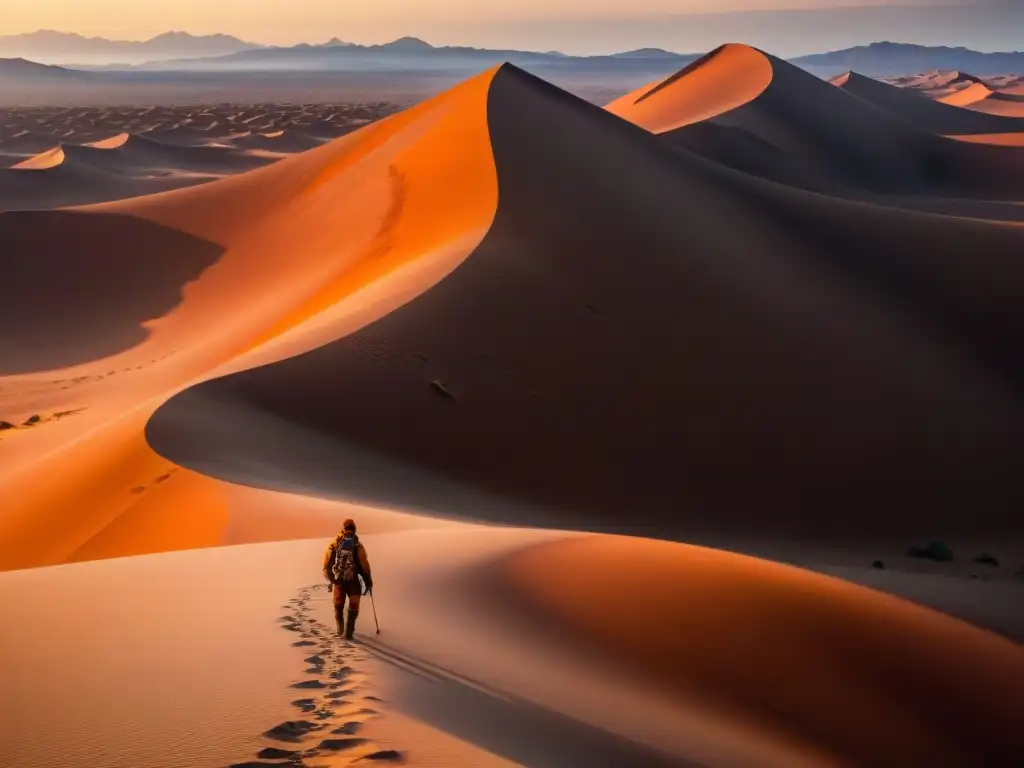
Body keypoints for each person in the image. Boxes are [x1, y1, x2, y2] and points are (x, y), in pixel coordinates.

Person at [322, 519, 373, 640]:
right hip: (352, 580)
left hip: (338, 580)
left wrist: (330, 579)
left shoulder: (335, 543)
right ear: (354, 529)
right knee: (354, 605)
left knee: (338, 605)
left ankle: (340, 629)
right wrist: (368, 582)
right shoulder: (357, 545)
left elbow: (326, 563)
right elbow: (364, 565)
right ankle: (349, 632)